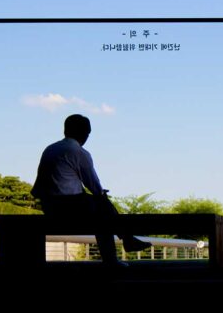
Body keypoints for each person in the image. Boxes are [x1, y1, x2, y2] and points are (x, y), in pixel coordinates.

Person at [31, 114, 150, 267]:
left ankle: (127, 240)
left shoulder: (50, 149)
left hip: (48, 206)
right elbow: (94, 187)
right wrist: (101, 194)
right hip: (69, 207)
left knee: (101, 209)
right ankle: (118, 251)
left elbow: (39, 188)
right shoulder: (78, 152)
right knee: (103, 209)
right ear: (85, 133)